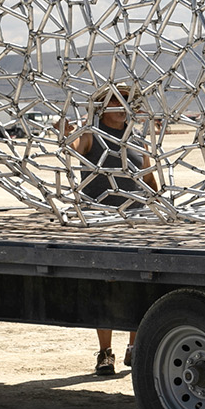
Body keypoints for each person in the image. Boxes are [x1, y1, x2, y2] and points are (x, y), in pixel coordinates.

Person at [60, 84, 159, 374]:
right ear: (103, 105)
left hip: (137, 222)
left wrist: (160, 206)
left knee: (138, 285)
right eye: (117, 99)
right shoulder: (90, 134)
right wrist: (66, 134)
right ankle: (105, 353)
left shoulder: (137, 138)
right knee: (105, 288)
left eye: (128, 100)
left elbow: (149, 178)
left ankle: (134, 347)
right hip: (102, 225)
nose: (123, 105)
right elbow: (74, 148)